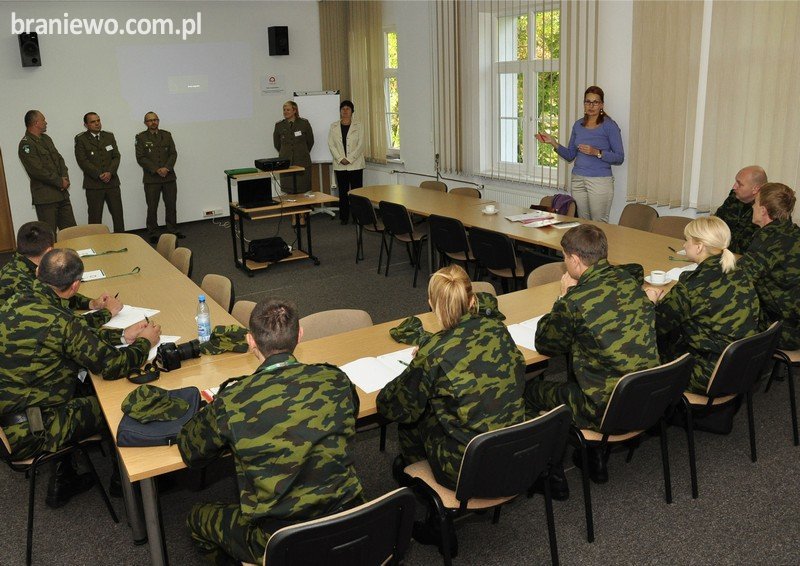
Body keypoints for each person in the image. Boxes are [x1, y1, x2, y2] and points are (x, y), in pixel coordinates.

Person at [177, 298, 364, 565]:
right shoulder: (336, 379)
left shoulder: (233, 400)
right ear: (300, 335)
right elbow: (352, 416)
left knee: (197, 518)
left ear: (250, 341)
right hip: (351, 520)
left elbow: (191, 452)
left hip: (280, 540)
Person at [0, 248, 160, 507]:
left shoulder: (17, 300)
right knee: (116, 406)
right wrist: (144, 343)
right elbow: (112, 365)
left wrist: (123, 335)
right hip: (35, 429)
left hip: (11, 417)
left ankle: (63, 477)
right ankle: (125, 485)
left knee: (84, 386)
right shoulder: (60, 321)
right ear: (75, 286)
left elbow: (72, 337)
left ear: (38, 272)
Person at [524, 224, 659, 483]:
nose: (564, 264)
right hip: (644, 395)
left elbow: (545, 343)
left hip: (605, 407)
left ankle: (550, 476)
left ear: (575, 260)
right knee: (586, 363)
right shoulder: (628, 280)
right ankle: (595, 455)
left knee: (530, 392)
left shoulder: (575, 301)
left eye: (565, 258)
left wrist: (563, 297)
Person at [377, 265, 525, 491]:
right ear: (473, 300)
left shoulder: (434, 352)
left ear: (431, 304)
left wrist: (422, 361)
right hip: (515, 453)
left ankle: (418, 485)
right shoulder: (497, 328)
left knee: (411, 421)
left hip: (466, 470)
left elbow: (391, 406)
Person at [645, 217, 761, 394]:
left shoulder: (692, 286)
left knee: (646, 345)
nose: (684, 245)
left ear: (699, 247)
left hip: (710, 373)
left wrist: (650, 302)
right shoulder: (739, 271)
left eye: (687, 240)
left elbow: (654, 326)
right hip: (743, 365)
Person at [0, 222, 121, 326]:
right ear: (49, 251)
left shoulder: (20, 264)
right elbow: (63, 325)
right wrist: (107, 313)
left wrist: (91, 303)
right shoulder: (24, 283)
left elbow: (56, 293)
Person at [536, 86, 624, 223]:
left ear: (601, 105)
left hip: (599, 181)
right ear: (584, 104)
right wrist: (553, 142)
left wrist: (597, 152)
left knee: (598, 223)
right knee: (582, 223)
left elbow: (619, 157)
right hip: (577, 179)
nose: (591, 106)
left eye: (595, 102)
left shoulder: (609, 125)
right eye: (588, 102)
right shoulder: (578, 125)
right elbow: (570, 155)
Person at [738, 183, 800, 350]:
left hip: (784, 331)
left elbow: (738, 279)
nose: (752, 206)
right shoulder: (793, 231)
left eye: (755, 203)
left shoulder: (768, 239)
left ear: (763, 210)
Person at [18, 110, 77, 233]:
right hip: (46, 198)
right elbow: (37, 171)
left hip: (62, 195)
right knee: (49, 235)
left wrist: (65, 178)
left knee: (71, 233)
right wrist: (59, 182)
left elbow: (59, 159)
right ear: (36, 123)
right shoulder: (26, 145)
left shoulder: (46, 139)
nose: (46, 122)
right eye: (43, 120)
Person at [135, 111, 183, 244]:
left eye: (155, 119)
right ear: (145, 123)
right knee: (152, 207)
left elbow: (173, 153)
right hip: (152, 178)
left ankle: (173, 230)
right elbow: (141, 157)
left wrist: (167, 168)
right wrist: (156, 169)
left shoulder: (167, 135)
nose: (153, 122)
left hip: (169, 176)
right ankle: (153, 232)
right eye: (150, 120)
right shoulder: (141, 137)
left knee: (171, 205)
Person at [74, 112, 124, 232]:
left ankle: (121, 237)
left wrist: (110, 172)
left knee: (118, 214)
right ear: (86, 125)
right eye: (93, 122)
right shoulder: (81, 139)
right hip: (94, 184)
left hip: (112, 183)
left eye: (98, 120)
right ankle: (95, 240)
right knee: (95, 217)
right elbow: (82, 161)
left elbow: (116, 156)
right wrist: (99, 174)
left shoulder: (109, 136)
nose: (97, 123)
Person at [714, 165, 768, 254]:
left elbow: (757, 251)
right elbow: (714, 224)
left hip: (746, 259)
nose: (734, 187)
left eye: (740, 184)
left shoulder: (768, 210)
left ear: (755, 189)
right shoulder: (734, 197)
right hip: (722, 253)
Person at [328, 100, 365, 224]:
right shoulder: (333, 126)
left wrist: (349, 159)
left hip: (356, 164)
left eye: (347, 108)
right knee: (343, 193)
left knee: (356, 193)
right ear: (340, 111)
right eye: (343, 109)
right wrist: (340, 158)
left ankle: (357, 217)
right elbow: (331, 145)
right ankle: (344, 217)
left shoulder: (359, 126)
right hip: (340, 165)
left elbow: (361, 145)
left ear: (352, 111)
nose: (345, 111)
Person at [273, 101, 314, 194]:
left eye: (288, 110)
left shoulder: (304, 123)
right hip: (286, 163)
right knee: (288, 190)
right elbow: (277, 144)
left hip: (302, 161)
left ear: (294, 110)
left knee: (303, 188)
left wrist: (301, 152)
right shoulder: (279, 125)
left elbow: (310, 141)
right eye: (284, 110)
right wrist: (285, 153)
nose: (285, 112)